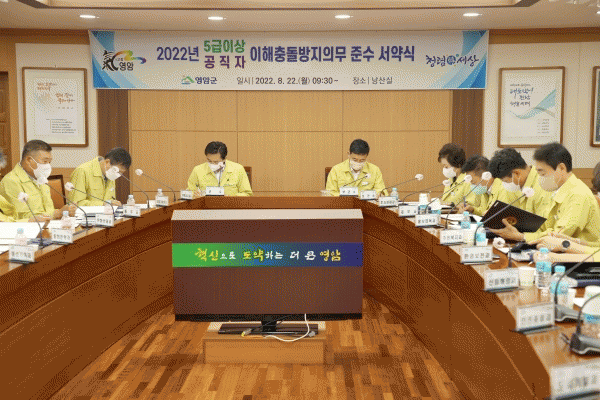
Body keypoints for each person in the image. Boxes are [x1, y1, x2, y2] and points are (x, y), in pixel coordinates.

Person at [490, 143, 600, 243]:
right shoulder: (560, 190)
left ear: (561, 168)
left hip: (582, 255)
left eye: (542, 174)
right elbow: (548, 229)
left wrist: (522, 237)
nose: (539, 179)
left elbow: (559, 235)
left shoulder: (578, 195)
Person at [0, 140, 75, 221]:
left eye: (49, 162)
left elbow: (49, 210)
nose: (47, 166)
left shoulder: (41, 179)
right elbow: (21, 217)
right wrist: (57, 213)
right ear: (29, 160)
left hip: (49, 225)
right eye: (45, 161)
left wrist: (63, 212)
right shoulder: (11, 181)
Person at [487, 147, 550, 216]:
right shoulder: (518, 185)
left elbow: (544, 221)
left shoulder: (544, 186)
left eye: (506, 181)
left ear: (517, 173)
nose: (505, 185)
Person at [187, 141, 252, 196]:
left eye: (216, 162)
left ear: (224, 159)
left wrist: (231, 198)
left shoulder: (238, 169)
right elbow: (189, 193)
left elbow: (247, 194)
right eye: (209, 161)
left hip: (230, 206)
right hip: (205, 206)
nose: (212, 164)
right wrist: (194, 195)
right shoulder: (197, 170)